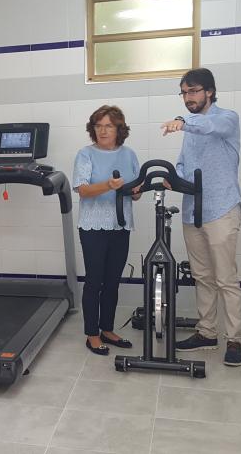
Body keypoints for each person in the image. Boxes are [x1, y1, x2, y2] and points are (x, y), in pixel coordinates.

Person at [160, 67, 241, 366]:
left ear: (209, 91)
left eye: (193, 91)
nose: (188, 97)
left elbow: (210, 127)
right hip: (192, 212)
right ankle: (207, 333)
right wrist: (175, 177)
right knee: (202, 277)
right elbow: (184, 164)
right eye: (184, 93)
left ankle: (234, 339)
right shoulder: (190, 132)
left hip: (221, 208)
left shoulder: (227, 118)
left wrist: (183, 121)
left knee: (225, 278)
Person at [73, 105, 142, 356]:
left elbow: (136, 193)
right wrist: (108, 185)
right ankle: (92, 333)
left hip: (120, 226)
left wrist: (136, 192)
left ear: (118, 129)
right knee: (94, 281)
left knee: (112, 281)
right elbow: (82, 189)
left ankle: (108, 329)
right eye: (98, 126)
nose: (102, 130)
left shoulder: (129, 154)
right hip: (92, 227)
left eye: (108, 126)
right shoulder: (85, 154)